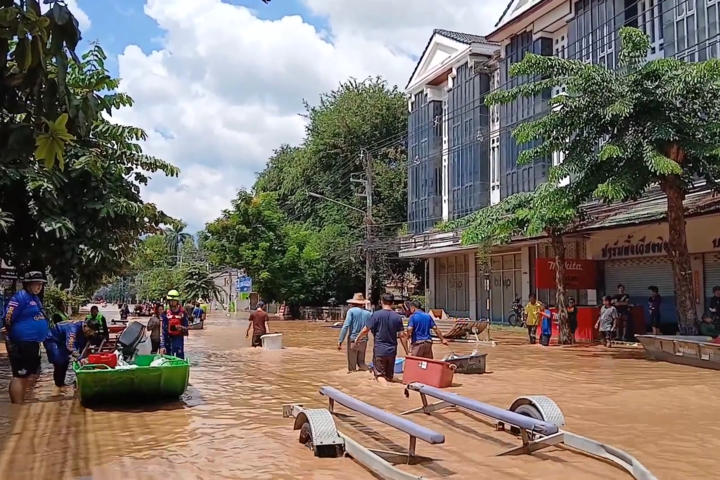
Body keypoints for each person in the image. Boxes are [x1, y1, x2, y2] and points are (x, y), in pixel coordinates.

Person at [1, 271, 49, 404]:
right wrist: (12, 332)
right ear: (28, 284)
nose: (39, 287)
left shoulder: (34, 298)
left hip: (31, 343)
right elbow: (8, 317)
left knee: (28, 374)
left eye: (41, 284)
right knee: (20, 375)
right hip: (20, 342)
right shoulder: (20, 297)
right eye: (36, 284)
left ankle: (22, 403)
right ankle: (16, 407)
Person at [355, 293, 408, 386]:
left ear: (381, 301)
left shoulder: (376, 315)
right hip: (392, 350)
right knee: (389, 376)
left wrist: (358, 338)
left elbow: (366, 329)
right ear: (393, 303)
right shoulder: (397, 317)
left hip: (380, 349)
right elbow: (402, 336)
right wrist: (407, 351)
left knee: (379, 376)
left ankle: (386, 390)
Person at [44, 319, 101, 387]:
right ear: (85, 326)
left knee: (66, 361)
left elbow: (82, 346)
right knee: (60, 362)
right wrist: (80, 358)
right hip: (53, 340)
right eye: (89, 331)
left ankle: (61, 384)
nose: (90, 333)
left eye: (92, 332)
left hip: (64, 340)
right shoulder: (73, 329)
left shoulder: (85, 331)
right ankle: (58, 385)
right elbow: (70, 346)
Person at [337, 293, 372, 372]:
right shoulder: (369, 313)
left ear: (353, 303)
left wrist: (340, 341)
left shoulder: (351, 311)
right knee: (361, 363)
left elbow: (346, 326)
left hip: (353, 340)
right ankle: (368, 371)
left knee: (352, 367)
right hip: (364, 341)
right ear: (363, 304)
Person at [159, 290, 188, 359]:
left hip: (178, 339)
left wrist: (181, 328)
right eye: (170, 300)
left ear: (177, 301)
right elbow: (163, 330)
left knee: (179, 357)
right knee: (167, 357)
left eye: (174, 300)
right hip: (168, 340)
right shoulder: (166, 313)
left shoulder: (183, 313)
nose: (172, 302)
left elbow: (186, 329)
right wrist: (162, 346)